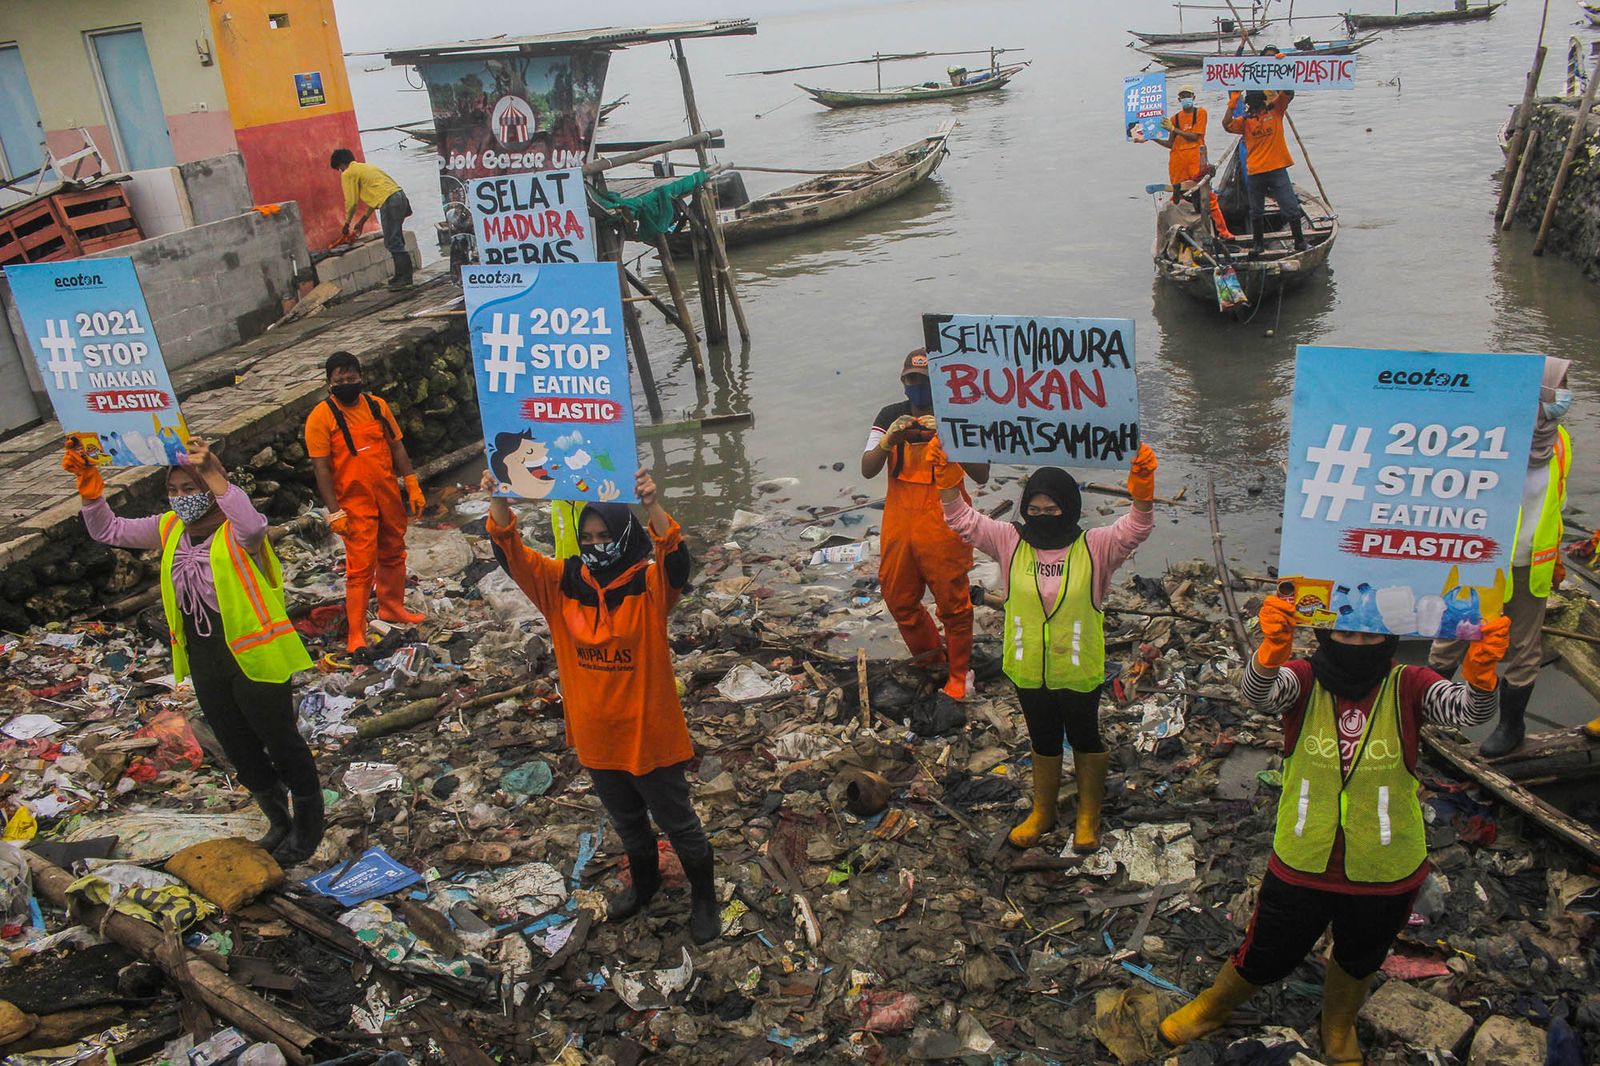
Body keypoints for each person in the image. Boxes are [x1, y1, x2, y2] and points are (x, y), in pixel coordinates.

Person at [1157, 595, 1509, 1065]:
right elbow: (1259, 695)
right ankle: (1214, 1005)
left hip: (1387, 861)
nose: (1358, 644)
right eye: (1346, 633)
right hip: (1305, 854)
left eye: (1370, 635)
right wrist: (1271, 650)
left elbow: (1468, 713)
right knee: (1269, 948)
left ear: (1390, 638)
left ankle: (1337, 1024)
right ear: (1325, 634)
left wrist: (1482, 669)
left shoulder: (1410, 683)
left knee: (1362, 952)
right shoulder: (1303, 679)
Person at [479, 467, 719, 944]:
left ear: (624, 534)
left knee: (679, 822)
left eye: (604, 534)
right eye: (587, 536)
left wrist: (652, 504)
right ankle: (645, 884)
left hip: (648, 733)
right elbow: (512, 553)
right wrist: (501, 498)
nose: (594, 543)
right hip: (596, 736)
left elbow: (676, 562)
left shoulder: (648, 587)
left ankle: (705, 900)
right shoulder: (561, 583)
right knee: (627, 821)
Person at [63, 437, 325, 863]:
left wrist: (215, 475)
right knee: (237, 745)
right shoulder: (169, 528)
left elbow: (256, 526)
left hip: (256, 654)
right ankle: (278, 821)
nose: (182, 498)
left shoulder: (236, 530)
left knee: (280, 741)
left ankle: (309, 827)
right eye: (175, 490)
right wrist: (90, 485)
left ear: (210, 487)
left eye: (192, 489)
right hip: (205, 657)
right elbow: (106, 530)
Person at [936, 443, 1158, 851]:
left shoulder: (1096, 546)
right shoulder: (1009, 541)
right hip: (1027, 665)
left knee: (1085, 735)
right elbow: (962, 520)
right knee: (1042, 737)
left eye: (1051, 510)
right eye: (1034, 511)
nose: (1042, 518)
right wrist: (948, 477)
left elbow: (1137, 527)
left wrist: (1142, 486)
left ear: (1069, 508)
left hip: (1077, 666)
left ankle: (1088, 816)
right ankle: (1043, 811)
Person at [1433, 357, 1573, 755]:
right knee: (1452, 638)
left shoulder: (1560, 440)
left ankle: (1511, 727)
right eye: (1559, 387)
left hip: (1533, 563)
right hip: (1478, 560)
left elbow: (1556, 500)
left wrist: (1558, 552)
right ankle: (1427, 711)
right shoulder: (1490, 437)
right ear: (1537, 392)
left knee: (1524, 649)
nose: (1565, 396)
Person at [862, 349, 990, 705]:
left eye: (924, 380)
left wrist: (949, 436)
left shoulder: (959, 415)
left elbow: (982, 472)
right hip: (899, 523)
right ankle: (934, 661)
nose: (916, 387)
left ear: (940, 382)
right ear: (903, 381)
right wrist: (889, 440)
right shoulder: (890, 416)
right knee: (898, 598)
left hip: (944, 522)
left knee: (953, 602)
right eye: (911, 379)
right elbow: (868, 468)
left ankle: (961, 675)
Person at [304, 351, 427, 653]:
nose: (346, 383)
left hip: (386, 493)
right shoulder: (321, 417)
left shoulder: (377, 406)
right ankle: (356, 632)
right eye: (339, 380)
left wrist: (411, 482)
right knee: (360, 568)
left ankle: (391, 607)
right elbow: (321, 468)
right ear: (329, 383)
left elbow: (396, 446)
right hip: (353, 501)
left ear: (360, 378)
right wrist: (334, 512)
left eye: (351, 378)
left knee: (394, 552)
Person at [1222, 88, 1307, 257]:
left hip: (1277, 169)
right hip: (1255, 172)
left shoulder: (1275, 112)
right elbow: (1226, 124)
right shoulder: (1246, 122)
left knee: (1291, 208)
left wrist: (1278, 71)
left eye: (1257, 104)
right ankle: (1258, 245)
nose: (1255, 108)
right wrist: (1232, 102)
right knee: (1256, 211)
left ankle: (1299, 241)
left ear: (1263, 102)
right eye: (1251, 105)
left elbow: (1289, 91)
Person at [1149, 86, 1235, 240]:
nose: (1185, 98)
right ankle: (1180, 234)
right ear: (1179, 99)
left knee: (1208, 199)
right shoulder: (1175, 118)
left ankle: (1223, 232)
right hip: (1178, 166)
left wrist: (1174, 129)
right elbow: (1170, 144)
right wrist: (1152, 137)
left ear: (1193, 97)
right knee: (1177, 200)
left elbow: (1195, 136)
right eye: (1182, 96)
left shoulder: (1200, 113)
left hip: (1196, 166)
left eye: (1188, 95)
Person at [329, 148, 413, 289]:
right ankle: (401, 275)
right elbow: (376, 198)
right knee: (396, 239)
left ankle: (405, 280)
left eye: (339, 169)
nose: (341, 172)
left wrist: (347, 223)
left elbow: (351, 202)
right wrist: (362, 221)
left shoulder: (348, 173)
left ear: (342, 164)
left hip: (390, 201)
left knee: (392, 242)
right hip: (400, 197)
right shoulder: (366, 168)